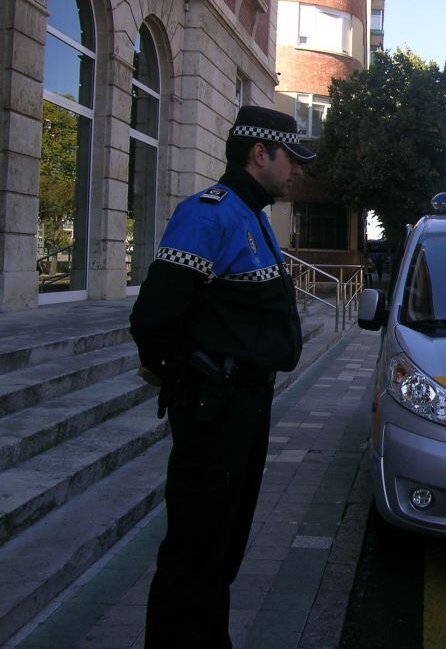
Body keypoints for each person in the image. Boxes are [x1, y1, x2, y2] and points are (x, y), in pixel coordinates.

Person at [130, 105, 315, 648]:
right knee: (197, 552)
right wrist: (182, 379)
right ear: (260, 154)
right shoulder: (208, 213)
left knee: (223, 548)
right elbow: (156, 316)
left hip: (243, 408)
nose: (297, 171)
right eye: (291, 159)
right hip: (215, 408)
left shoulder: (250, 213)